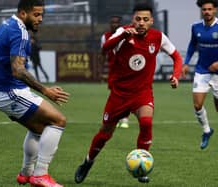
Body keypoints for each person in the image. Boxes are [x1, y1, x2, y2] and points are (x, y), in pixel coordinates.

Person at [75, 3, 182, 184]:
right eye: (138, 19)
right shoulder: (123, 33)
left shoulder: (158, 37)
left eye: (145, 20)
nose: (141, 23)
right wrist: (123, 35)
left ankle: (142, 168)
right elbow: (105, 48)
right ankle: (88, 162)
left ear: (151, 21)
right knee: (105, 133)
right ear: (133, 20)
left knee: (146, 123)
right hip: (119, 94)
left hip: (142, 93)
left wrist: (176, 75)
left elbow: (177, 57)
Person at [0, 0, 69, 187]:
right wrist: (46, 90)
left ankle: (26, 173)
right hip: (8, 90)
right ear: (23, 13)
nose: (40, 19)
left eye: (42, 15)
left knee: (39, 128)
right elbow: (18, 70)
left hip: (1, 88)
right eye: (36, 15)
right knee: (58, 120)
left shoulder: (6, 24)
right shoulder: (20, 32)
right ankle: (40, 175)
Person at [182, 0, 218, 153]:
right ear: (201, 11)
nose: (207, 12)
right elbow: (191, 45)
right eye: (204, 9)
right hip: (202, 71)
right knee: (197, 105)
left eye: (209, 9)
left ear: (215, 10)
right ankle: (207, 130)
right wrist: (186, 63)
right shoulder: (196, 27)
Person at [100, 15, 130, 129]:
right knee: (114, 95)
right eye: (112, 22)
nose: (114, 25)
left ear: (120, 24)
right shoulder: (105, 37)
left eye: (116, 23)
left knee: (125, 95)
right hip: (113, 71)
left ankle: (125, 119)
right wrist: (101, 70)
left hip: (125, 70)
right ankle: (116, 118)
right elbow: (103, 53)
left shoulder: (126, 35)